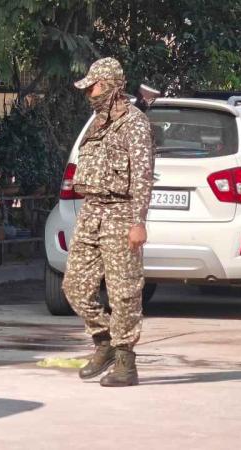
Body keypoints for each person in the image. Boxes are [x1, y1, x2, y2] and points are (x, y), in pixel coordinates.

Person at [62, 57, 154, 387]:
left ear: (111, 86)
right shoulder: (97, 123)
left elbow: (142, 176)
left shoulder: (134, 123)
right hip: (92, 211)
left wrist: (138, 221)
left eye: (94, 87)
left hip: (121, 212)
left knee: (124, 292)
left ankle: (125, 362)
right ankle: (104, 343)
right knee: (74, 286)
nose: (90, 94)